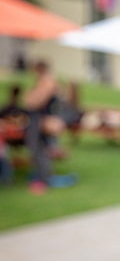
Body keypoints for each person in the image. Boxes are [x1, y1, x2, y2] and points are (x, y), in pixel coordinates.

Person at [22, 60, 75, 194]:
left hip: (41, 121)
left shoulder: (48, 82)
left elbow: (31, 102)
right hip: (41, 121)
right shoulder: (46, 81)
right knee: (40, 149)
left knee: (38, 149)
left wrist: (31, 97)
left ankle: (43, 179)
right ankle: (43, 177)